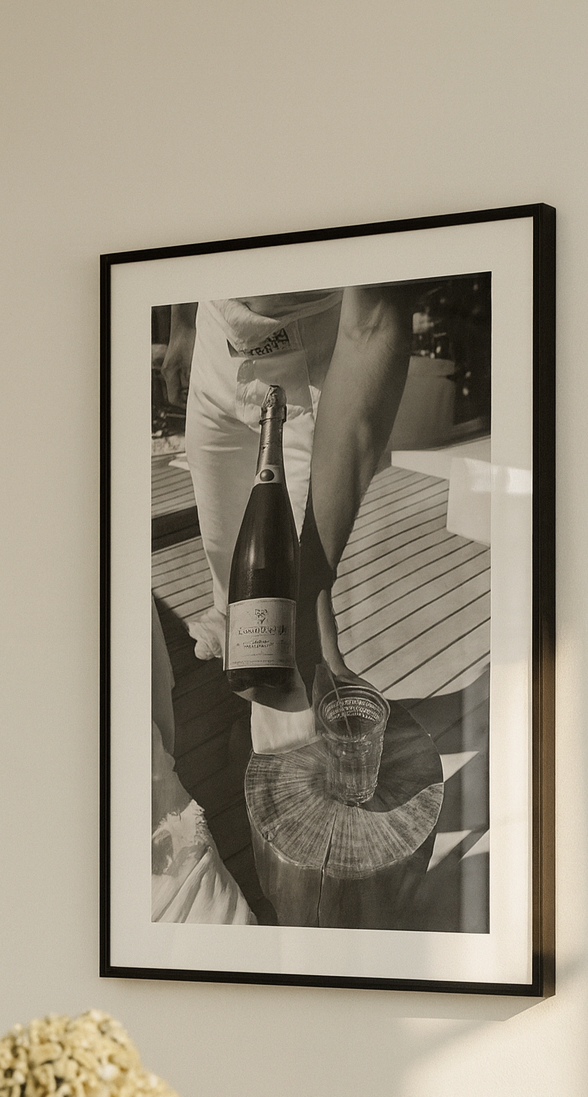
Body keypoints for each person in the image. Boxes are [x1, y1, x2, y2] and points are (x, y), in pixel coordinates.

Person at [161, 284, 412, 749]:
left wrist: (312, 584)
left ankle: (287, 770)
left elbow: (374, 322)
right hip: (215, 333)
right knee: (226, 564)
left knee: (289, 626)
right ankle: (252, 701)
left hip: (312, 356)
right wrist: (183, 322)